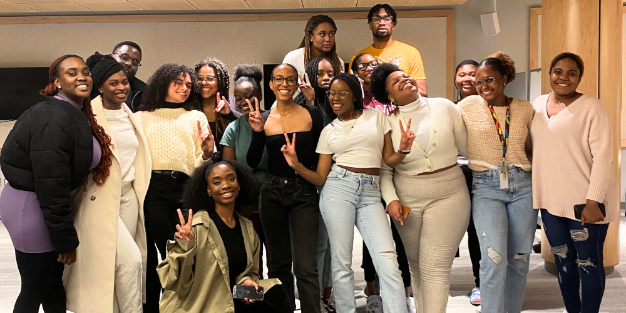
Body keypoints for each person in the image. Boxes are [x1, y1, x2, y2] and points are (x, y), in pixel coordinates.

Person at [280, 72, 409, 313]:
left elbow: (389, 160)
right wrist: (297, 166)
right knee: (341, 264)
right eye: (331, 94)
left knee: (388, 261)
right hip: (338, 189)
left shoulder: (377, 117)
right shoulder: (329, 131)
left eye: (342, 93)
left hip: (371, 192)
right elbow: (320, 176)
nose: (335, 98)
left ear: (355, 95)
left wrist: (404, 149)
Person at [0, 54, 111, 313]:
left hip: (44, 203)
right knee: (35, 286)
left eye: (85, 71)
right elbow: (52, 183)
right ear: (57, 82)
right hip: (33, 206)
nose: (82, 76)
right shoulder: (53, 118)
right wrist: (65, 240)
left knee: (52, 286)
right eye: (71, 73)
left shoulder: (72, 111)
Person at [373, 63, 470, 313]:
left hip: (449, 193)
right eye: (396, 82)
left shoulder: (445, 107)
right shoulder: (386, 123)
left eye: (405, 76)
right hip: (407, 197)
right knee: (416, 264)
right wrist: (391, 199)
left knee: (435, 265)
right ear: (390, 97)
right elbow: (384, 170)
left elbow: (468, 149)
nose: (405, 80)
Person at [62, 52, 151, 313]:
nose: (122, 87)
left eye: (124, 82)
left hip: (128, 195)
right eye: (114, 83)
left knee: (117, 264)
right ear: (99, 86)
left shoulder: (129, 113)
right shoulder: (87, 117)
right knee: (130, 261)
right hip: (99, 196)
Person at [531, 52, 617, 313]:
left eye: (572, 73)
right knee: (563, 263)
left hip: (585, 205)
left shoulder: (592, 107)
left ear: (580, 77)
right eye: (558, 71)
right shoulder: (537, 103)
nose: (564, 78)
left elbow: (603, 158)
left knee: (589, 263)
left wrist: (594, 200)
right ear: (549, 74)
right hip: (550, 203)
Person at [458, 52, 536, 313]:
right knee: (493, 258)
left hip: (523, 185)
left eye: (489, 79)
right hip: (486, 187)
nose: (483, 86)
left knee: (519, 258)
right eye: (478, 82)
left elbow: (535, 148)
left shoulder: (525, 109)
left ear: (504, 79)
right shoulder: (467, 106)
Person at [157, 160, 291, 313]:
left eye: (231, 178)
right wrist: (185, 246)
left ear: (239, 184)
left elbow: (250, 271)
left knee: (275, 292)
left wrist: (245, 280)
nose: (226, 185)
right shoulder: (196, 227)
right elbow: (176, 282)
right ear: (208, 190)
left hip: (232, 298)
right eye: (216, 182)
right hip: (201, 305)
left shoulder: (247, 228)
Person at [135, 63, 214, 313]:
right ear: (163, 84)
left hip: (186, 188)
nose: (184, 88)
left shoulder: (197, 117)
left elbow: (200, 163)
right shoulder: (141, 118)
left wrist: (208, 153)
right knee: (165, 249)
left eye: (188, 85)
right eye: (177, 83)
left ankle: (185, 305)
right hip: (153, 188)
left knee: (186, 249)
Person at [246, 63, 323, 313]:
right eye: (278, 79)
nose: (284, 85)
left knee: (305, 266)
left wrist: (302, 167)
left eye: (290, 79)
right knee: (278, 265)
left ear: (296, 83)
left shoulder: (312, 113)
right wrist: (258, 132)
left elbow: (322, 152)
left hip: (304, 192)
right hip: (272, 192)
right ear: (270, 84)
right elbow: (252, 161)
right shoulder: (265, 117)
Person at [351, 53, 413, 313]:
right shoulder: (356, 101)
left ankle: (406, 291)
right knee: (372, 235)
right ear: (355, 71)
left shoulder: (393, 101)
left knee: (401, 233)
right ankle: (372, 288)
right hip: (373, 173)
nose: (368, 69)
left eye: (372, 65)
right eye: (362, 65)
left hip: (401, 172)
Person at [221, 64, 269, 278]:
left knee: (278, 257)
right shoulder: (233, 128)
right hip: (246, 201)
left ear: (259, 95)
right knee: (251, 261)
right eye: (238, 98)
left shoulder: (273, 121)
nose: (243, 103)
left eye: (248, 96)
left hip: (272, 198)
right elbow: (230, 170)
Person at [352, 4, 428, 97]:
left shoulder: (411, 52)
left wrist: (394, 73)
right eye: (377, 18)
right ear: (370, 25)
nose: (382, 22)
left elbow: (423, 94)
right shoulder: (358, 58)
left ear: (393, 24)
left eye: (387, 18)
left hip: (403, 110)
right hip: (370, 109)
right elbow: (352, 95)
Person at [454, 59, 482, 307]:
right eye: (461, 74)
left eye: (472, 74)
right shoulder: (449, 108)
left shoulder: (489, 107)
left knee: (476, 229)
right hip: (453, 174)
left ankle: (480, 283)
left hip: (480, 173)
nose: (466, 78)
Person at [196, 58, 238, 154]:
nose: (203, 82)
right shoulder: (191, 107)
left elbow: (247, 126)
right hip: (199, 164)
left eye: (210, 78)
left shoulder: (232, 103)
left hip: (229, 164)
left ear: (220, 81)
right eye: (199, 78)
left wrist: (229, 113)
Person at [112, 41, 146, 112]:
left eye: (135, 62)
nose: (129, 63)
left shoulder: (144, 92)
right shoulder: (92, 85)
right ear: (111, 57)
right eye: (124, 57)